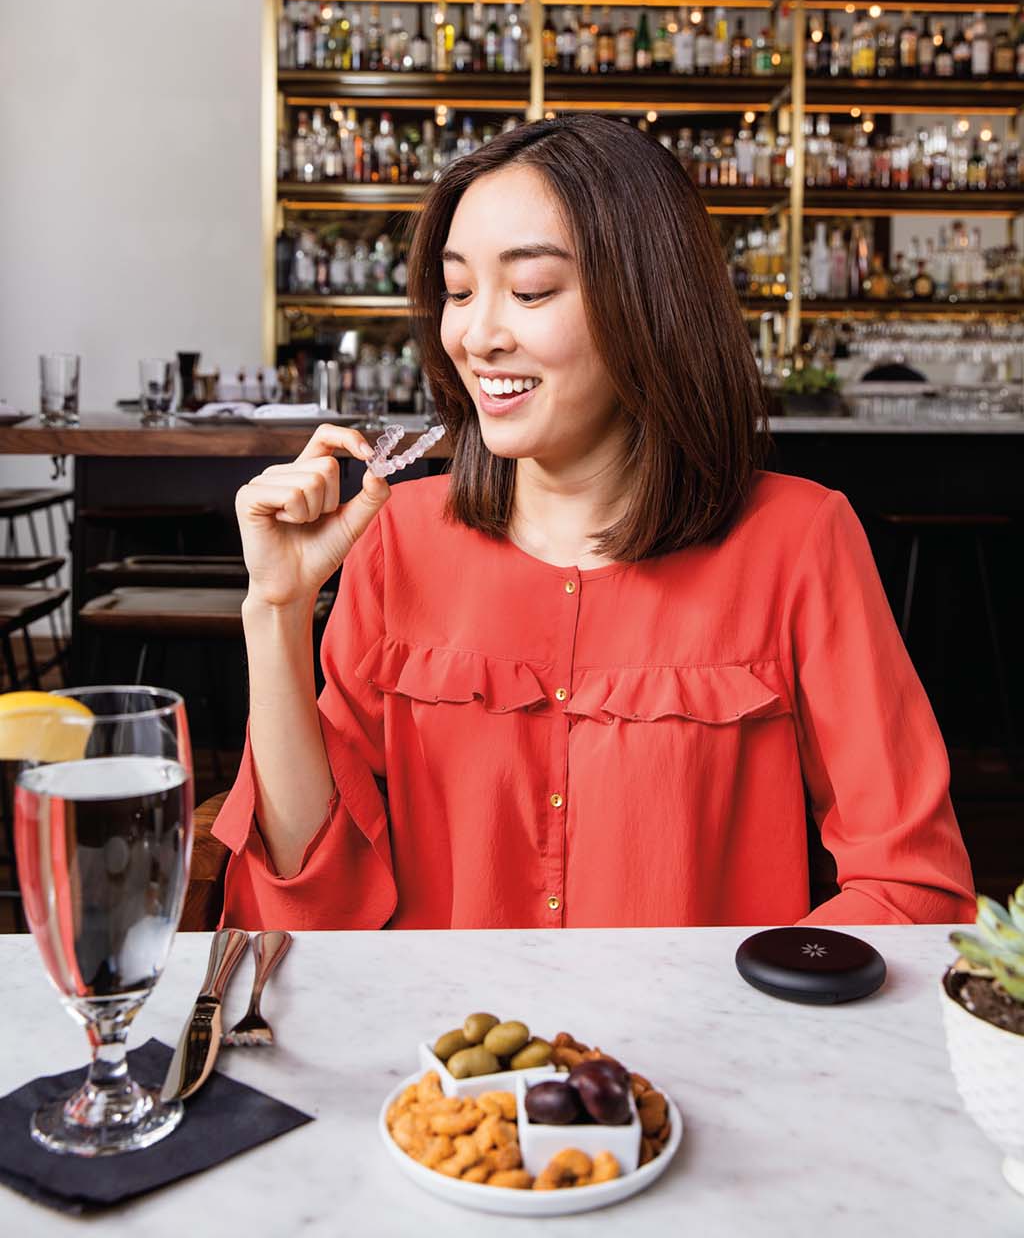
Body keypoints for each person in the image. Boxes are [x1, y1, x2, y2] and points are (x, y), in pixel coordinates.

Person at [214, 114, 976, 930]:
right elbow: (306, 900)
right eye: (460, 291)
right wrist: (278, 613)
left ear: (648, 302)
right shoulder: (394, 536)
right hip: (440, 1057)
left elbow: (911, 886)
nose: (478, 335)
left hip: (702, 1053)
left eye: (531, 291)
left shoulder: (801, 540)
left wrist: (753, 1010)